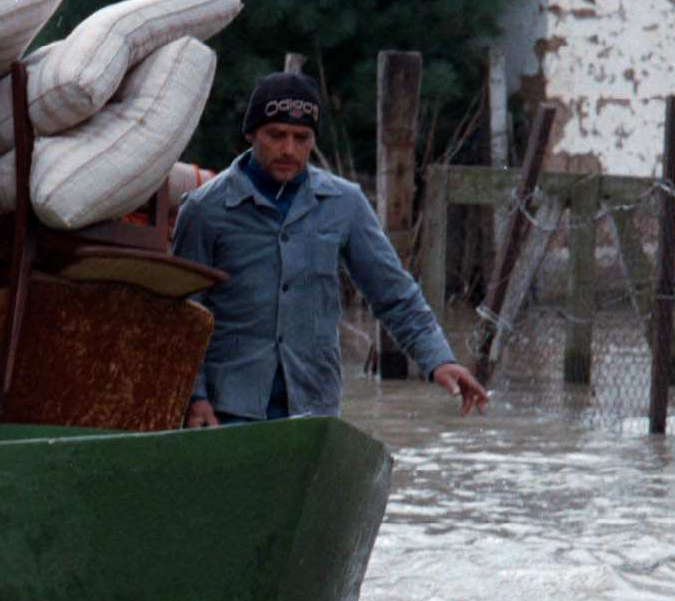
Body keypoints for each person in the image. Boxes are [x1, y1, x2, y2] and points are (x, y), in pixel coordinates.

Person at [171, 71, 488, 427]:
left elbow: (394, 293)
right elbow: (182, 313)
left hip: (312, 402)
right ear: (251, 134)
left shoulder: (344, 203)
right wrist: (193, 397)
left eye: (301, 138)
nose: (288, 149)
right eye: (276, 135)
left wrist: (439, 359)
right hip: (228, 407)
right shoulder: (204, 210)